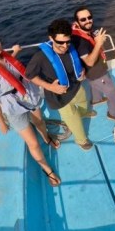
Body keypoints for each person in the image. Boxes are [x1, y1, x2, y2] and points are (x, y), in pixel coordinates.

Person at [0, 28, 61, 187]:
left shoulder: (6, 57)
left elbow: (5, 69)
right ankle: (47, 170)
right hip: (13, 107)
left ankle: (46, 138)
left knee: (40, 122)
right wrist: (1, 122)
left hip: (29, 95)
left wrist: (14, 52)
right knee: (33, 144)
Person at [25, 18, 96, 150]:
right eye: (60, 43)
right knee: (74, 121)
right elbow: (29, 75)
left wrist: (84, 71)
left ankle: (83, 113)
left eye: (67, 42)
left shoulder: (71, 46)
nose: (65, 46)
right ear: (51, 38)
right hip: (60, 96)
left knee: (84, 104)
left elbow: (80, 61)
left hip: (76, 86)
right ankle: (81, 140)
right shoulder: (40, 57)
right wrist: (50, 87)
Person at [71, 7, 115, 122]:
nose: (87, 21)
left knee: (94, 86)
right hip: (96, 73)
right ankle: (113, 114)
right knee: (112, 93)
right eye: (83, 19)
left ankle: (97, 100)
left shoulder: (84, 32)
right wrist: (98, 43)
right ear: (77, 22)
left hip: (93, 74)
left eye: (89, 18)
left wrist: (97, 42)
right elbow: (89, 62)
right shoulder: (80, 41)